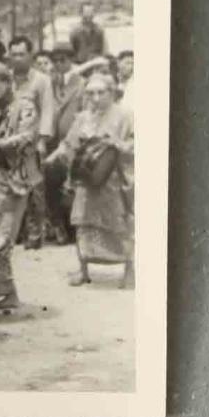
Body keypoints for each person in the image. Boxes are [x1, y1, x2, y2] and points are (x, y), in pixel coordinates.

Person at [44, 72, 134, 288]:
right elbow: (69, 143)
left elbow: (136, 143)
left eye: (101, 92)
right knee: (82, 223)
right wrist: (53, 157)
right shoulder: (84, 117)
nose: (95, 98)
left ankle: (129, 270)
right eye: (91, 93)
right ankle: (83, 269)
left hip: (113, 179)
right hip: (87, 180)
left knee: (120, 225)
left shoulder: (125, 115)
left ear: (112, 92)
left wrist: (117, 145)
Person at [0, 62, 39, 321]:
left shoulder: (25, 107)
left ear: (7, 83)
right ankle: (7, 292)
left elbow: (27, 138)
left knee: (0, 239)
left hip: (15, 182)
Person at [6, 35, 55, 250]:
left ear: (30, 55)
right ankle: (12, 232)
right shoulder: (5, 78)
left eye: (21, 54)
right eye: (13, 54)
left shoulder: (41, 80)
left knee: (34, 189)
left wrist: (43, 140)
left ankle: (35, 234)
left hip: (32, 143)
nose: (17, 58)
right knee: (10, 187)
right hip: (8, 142)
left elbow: (47, 111)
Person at [47, 42, 84, 244]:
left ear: (71, 60)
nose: (59, 64)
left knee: (71, 186)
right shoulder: (49, 83)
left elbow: (84, 115)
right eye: (56, 61)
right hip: (52, 142)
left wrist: (72, 140)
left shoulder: (81, 84)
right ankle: (57, 225)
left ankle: (73, 228)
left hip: (73, 143)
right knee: (51, 185)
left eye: (63, 60)